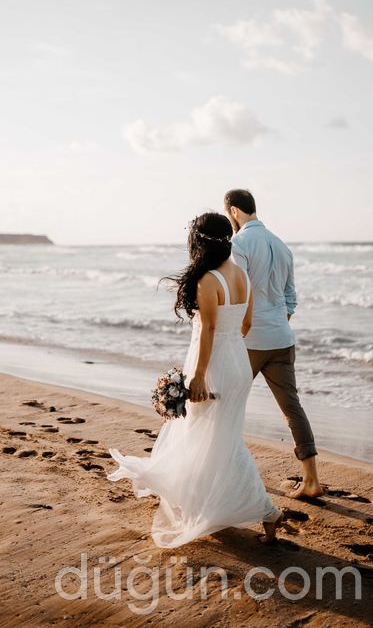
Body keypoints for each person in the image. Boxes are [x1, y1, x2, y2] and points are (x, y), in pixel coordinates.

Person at [107, 212, 285, 548]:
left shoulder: (207, 281)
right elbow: (246, 323)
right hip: (237, 364)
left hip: (213, 366)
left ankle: (262, 509)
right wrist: (230, 350)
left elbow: (208, 331)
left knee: (206, 439)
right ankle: (235, 509)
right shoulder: (242, 274)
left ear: (199, 242)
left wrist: (199, 376)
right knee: (222, 440)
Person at [224, 189, 323, 500]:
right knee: (292, 408)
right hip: (281, 338)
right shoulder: (282, 246)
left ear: (234, 211)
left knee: (227, 405)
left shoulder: (238, 244)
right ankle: (312, 481)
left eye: (229, 214)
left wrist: (242, 332)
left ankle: (226, 477)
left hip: (250, 341)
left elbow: (240, 293)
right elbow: (291, 297)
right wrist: (277, 324)